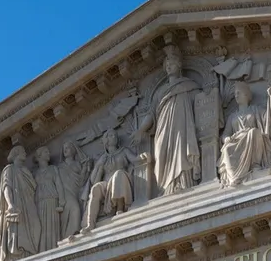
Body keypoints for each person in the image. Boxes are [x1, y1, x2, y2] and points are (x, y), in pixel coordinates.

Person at [133, 45, 201, 195]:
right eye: (167, 65)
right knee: (162, 155)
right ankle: (166, 188)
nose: (169, 67)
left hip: (182, 125)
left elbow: (201, 104)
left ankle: (183, 183)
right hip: (163, 128)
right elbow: (151, 113)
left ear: (179, 65)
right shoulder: (160, 91)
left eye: (172, 63)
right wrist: (141, 130)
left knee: (182, 150)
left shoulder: (190, 85)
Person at [219, 82, 271, 186]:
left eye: (238, 93)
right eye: (235, 94)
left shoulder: (255, 110)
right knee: (227, 149)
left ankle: (255, 167)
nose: (236, 96)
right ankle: (234, 177)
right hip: (236, 141)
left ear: (246, 94)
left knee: (254, 132)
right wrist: (227, 139)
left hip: (252, 139)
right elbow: (225, 134)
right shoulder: (232, 117)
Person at [81, 130, 136, 233]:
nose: (113, 136)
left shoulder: (124, 151)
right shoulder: (103, 157)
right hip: (106, 184)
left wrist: (142, 156)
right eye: (110, 135)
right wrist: (99, 165)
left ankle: (120, 209)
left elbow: (134, 159)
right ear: (106, 140)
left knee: (118, 174)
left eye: (114, 135)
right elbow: (93, 180)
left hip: (122, 179)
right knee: (96, 188)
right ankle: (90, 224)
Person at [0, 146, 41, 261]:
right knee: (18, 231)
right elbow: (6, 187)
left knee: (37, 226)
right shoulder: (9, 169)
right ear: (16, 153)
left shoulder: (26, 171)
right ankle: (18, 256)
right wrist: (10, 204)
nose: (25, 153)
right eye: (23, 151)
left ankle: (31, 254)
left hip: (29, 203)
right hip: (17, 203)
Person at [33, 146, 65, 252]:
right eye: (45, 152)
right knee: (41, 229)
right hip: (39, 203)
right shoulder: (35, 173)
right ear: (39, 155)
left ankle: (53, 250)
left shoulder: (53, 169)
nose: (48, 154)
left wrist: (61, 202)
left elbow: (59, 185)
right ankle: (41, 252)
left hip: (52, 201)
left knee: (52, 227)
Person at [58, 141, 92, 239]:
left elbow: (81, 181)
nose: (65, 150)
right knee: (75, 208)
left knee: (73, 210)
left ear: (73, 150)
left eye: (68, 147)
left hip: (75, 191)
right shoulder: (59, 167)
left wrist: (86, 168)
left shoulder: (77, 164)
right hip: (65, 192)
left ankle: (68, 235)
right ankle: (72, 233)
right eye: (64, 148)